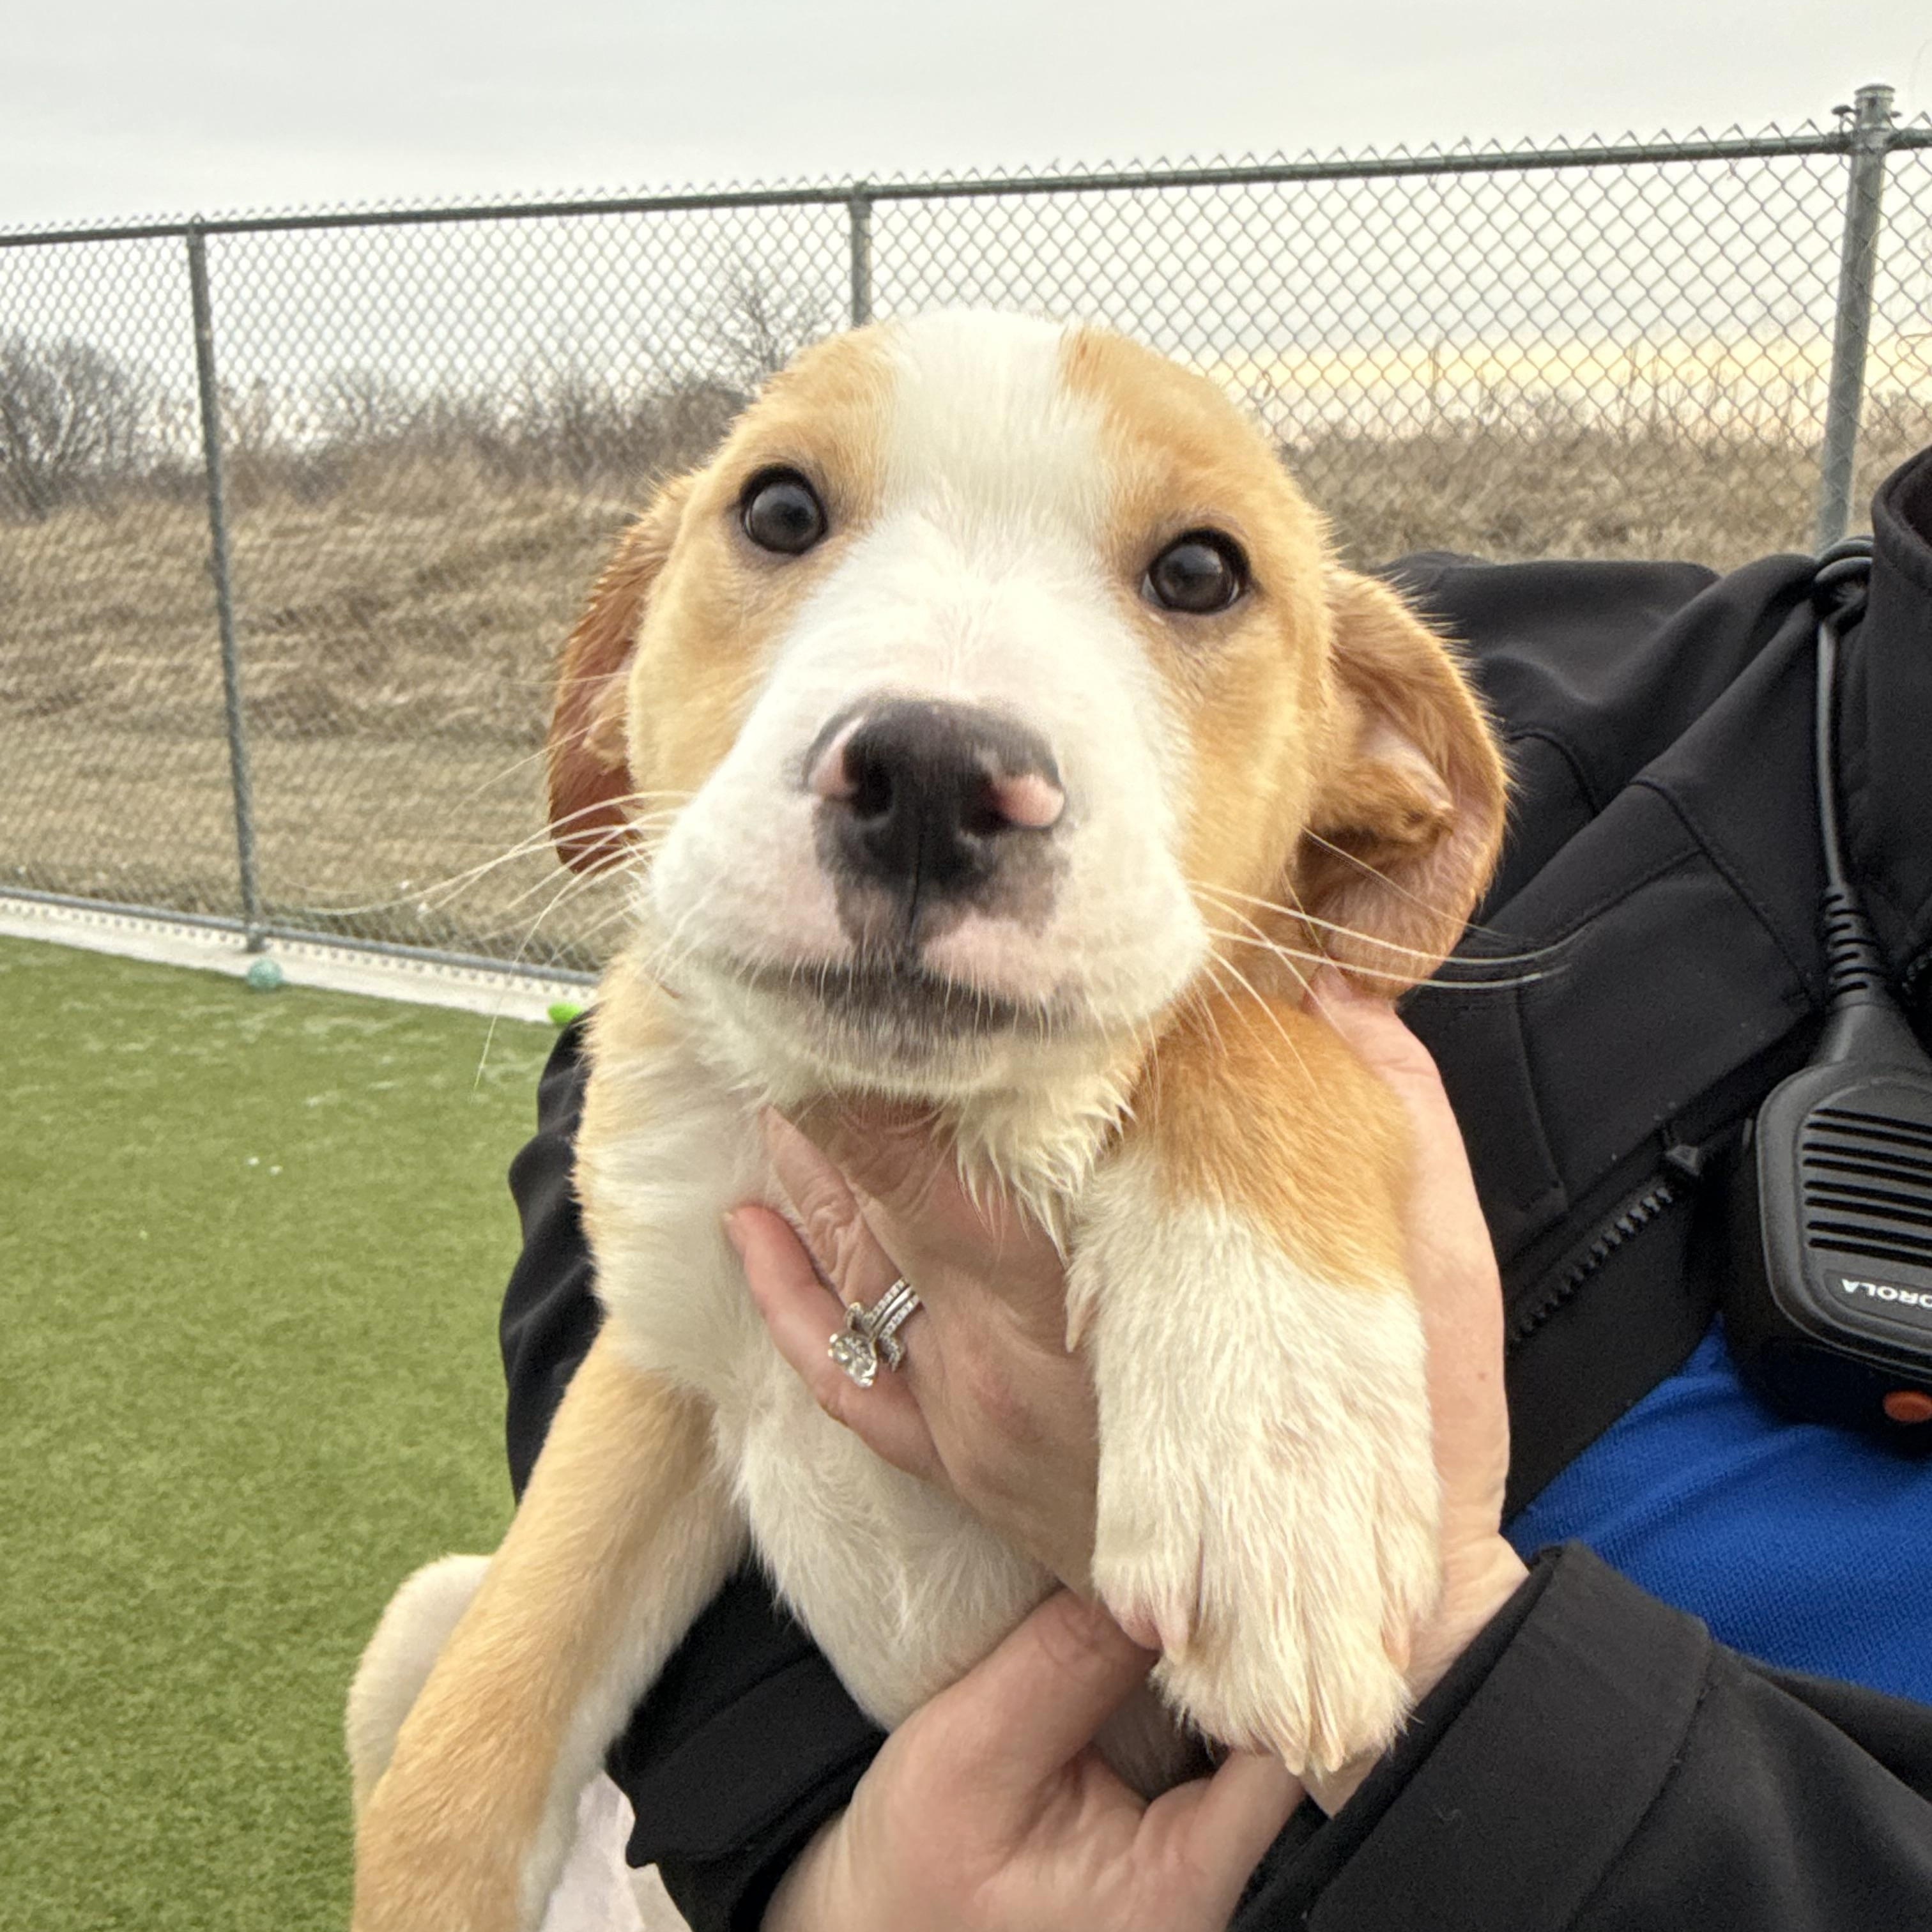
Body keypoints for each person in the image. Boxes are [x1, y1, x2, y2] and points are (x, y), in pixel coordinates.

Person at [501, 447, 1932, 1929]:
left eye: (1189, 579)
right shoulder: (1544, 670)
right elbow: (630, 1104)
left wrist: (1450, 1671)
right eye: (789, 518)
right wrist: (814, 1855)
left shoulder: (1359, 684)